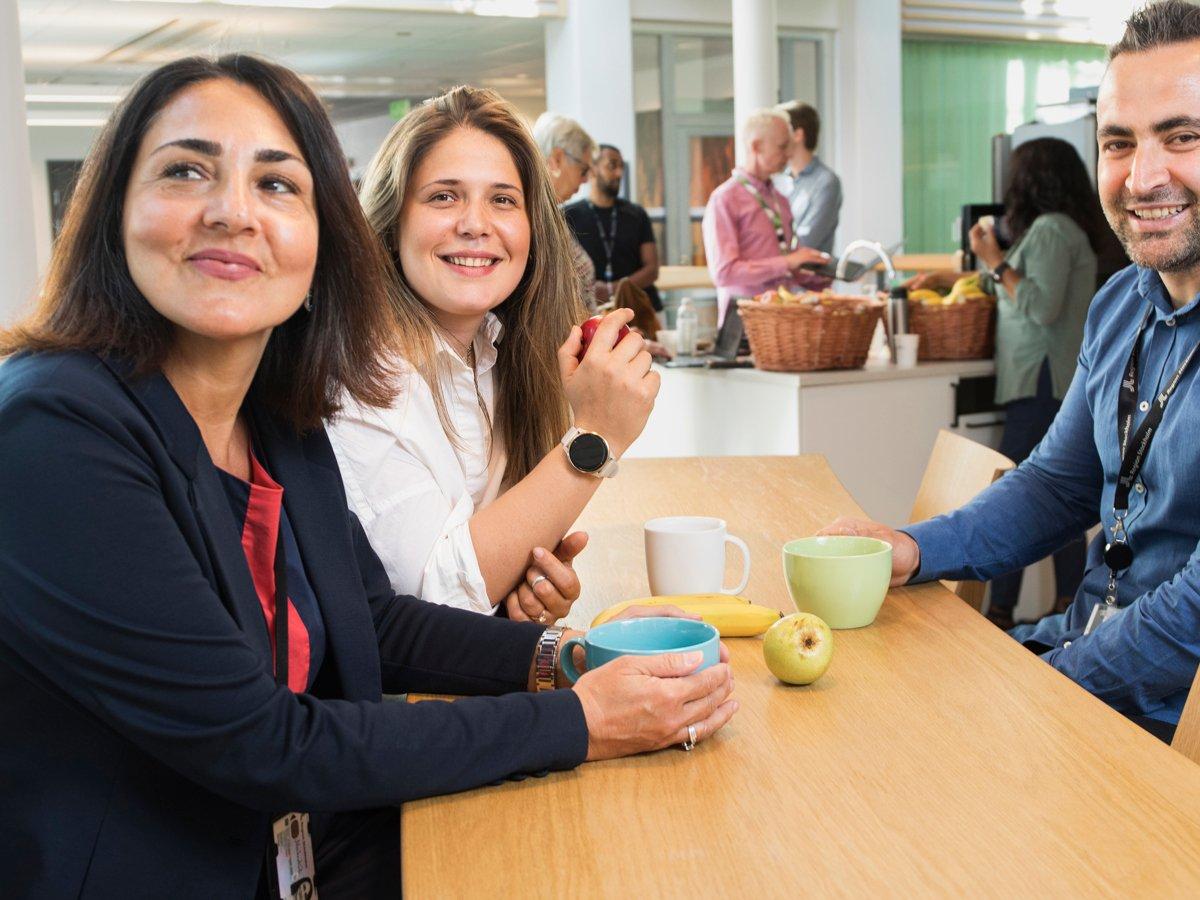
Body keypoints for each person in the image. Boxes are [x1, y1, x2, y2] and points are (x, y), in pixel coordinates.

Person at [0, 56, 737, 898]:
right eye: (185, 170)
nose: (232, 211)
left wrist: (563, 657)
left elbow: (375, 619)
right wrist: (582, 719)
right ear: (112, 213)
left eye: (277, 185)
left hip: (310, 854)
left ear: (324, 239)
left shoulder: (275, 414)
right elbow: (264, 743)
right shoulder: (53, 432)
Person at [821, 0, 1200, 741]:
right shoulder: (1122, 301)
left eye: (1183, 136)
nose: (1142, 176)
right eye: (1118, 144)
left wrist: (1041, 682)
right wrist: (917, 547)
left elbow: (1190, 616)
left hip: (1162, 730)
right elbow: (1058, 485)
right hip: (1080, 669)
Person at [328, 86, 660, 624]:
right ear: (391, 228)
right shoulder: (361, 377)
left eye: (503, 199)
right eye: (444, 196)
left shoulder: (497, 351)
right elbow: (430, 605)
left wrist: (521, 593)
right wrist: (595, 437)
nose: (476, 224)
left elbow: (476, 588)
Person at [910, 138, 1105, 630]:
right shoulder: (1055, 230)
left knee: (1029, 491)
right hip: (1036, 375)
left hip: (1042, 375)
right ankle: (1040, 604)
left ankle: (1009, 609)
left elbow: (1040, 305)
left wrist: (993, 257)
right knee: (1042, 495)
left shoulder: (1052, 230)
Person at [701, 108, 831, 326]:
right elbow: (725, 273)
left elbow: (786, 265)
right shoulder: (724, 199)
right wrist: (787, 262)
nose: (789, 154)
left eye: (790, 146)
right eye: (782, 147)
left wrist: (821, 272)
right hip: (744, 325)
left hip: (781, 321)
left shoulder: (780, 198)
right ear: (756, 146)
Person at [563, 144, 662, 310]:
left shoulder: (637, 214)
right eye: (612, 165)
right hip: (592, 312)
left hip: (642, 309)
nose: (619, 173)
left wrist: (612, 289)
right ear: (592, 169)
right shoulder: (567, 216)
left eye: (621, 167)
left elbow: (652, 270)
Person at [532, 111, 598, 308]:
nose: (586, 179)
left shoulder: (547, 215)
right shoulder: (532, 218)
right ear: (557, 159)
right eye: (583, 170)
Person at [773, 100, 842, 256]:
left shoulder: (826, 182)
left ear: (798, 135)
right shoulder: (776, 181)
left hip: (809, 278)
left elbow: (807, 241)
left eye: (782, 132)